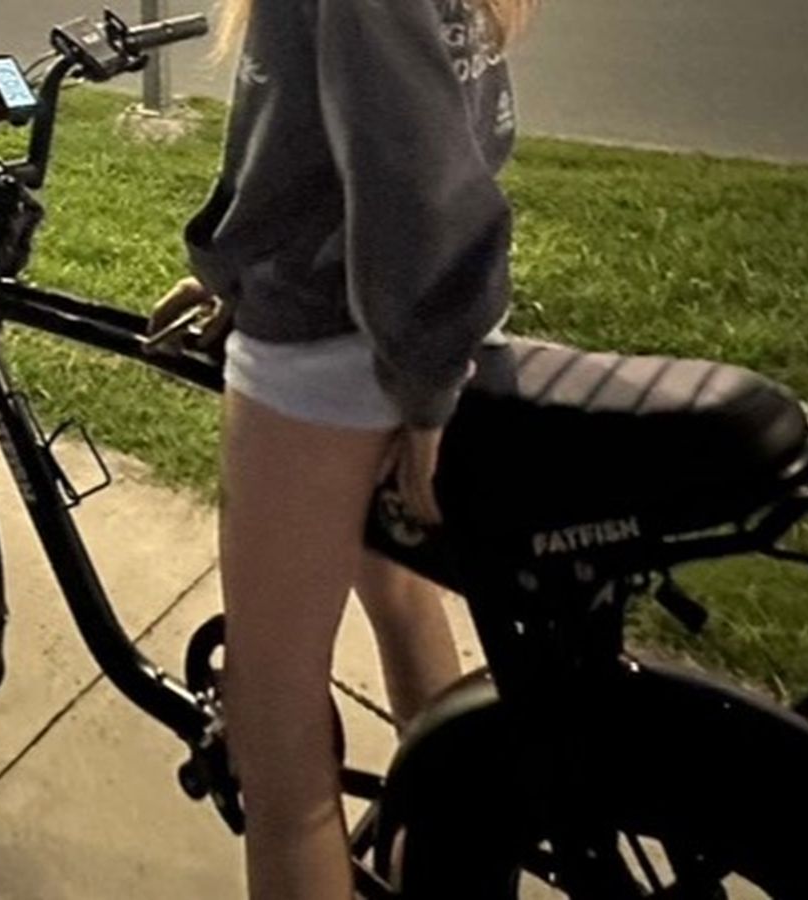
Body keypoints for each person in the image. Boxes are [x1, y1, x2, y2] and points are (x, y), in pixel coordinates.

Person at [148, 0, 534, 896]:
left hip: (335, 346)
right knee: (399, 596)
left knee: (276, 747)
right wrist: (234, 276)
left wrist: (427, 392)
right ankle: (440, 863)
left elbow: (412, 175)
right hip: (388, 325)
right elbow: (321, 136)